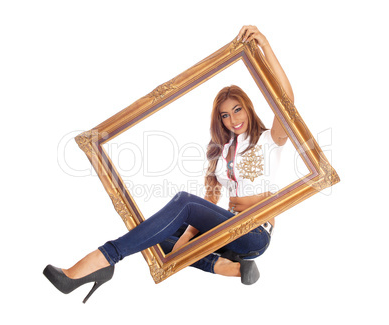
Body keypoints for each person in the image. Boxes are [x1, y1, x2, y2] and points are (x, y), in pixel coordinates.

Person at [43, 25, 294, 303]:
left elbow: (287, 101)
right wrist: (185, 240)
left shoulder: (270, 139)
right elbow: (209, 202)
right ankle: (231, 268)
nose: (233, 119)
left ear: (248, 107)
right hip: (227, 231)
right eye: (224, 115)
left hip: (253, 233)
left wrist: (266, 47)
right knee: (153, 231)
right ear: (219, 120)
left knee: (182, 204)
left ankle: (102, 258)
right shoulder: (219, 152)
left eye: (237, 109)